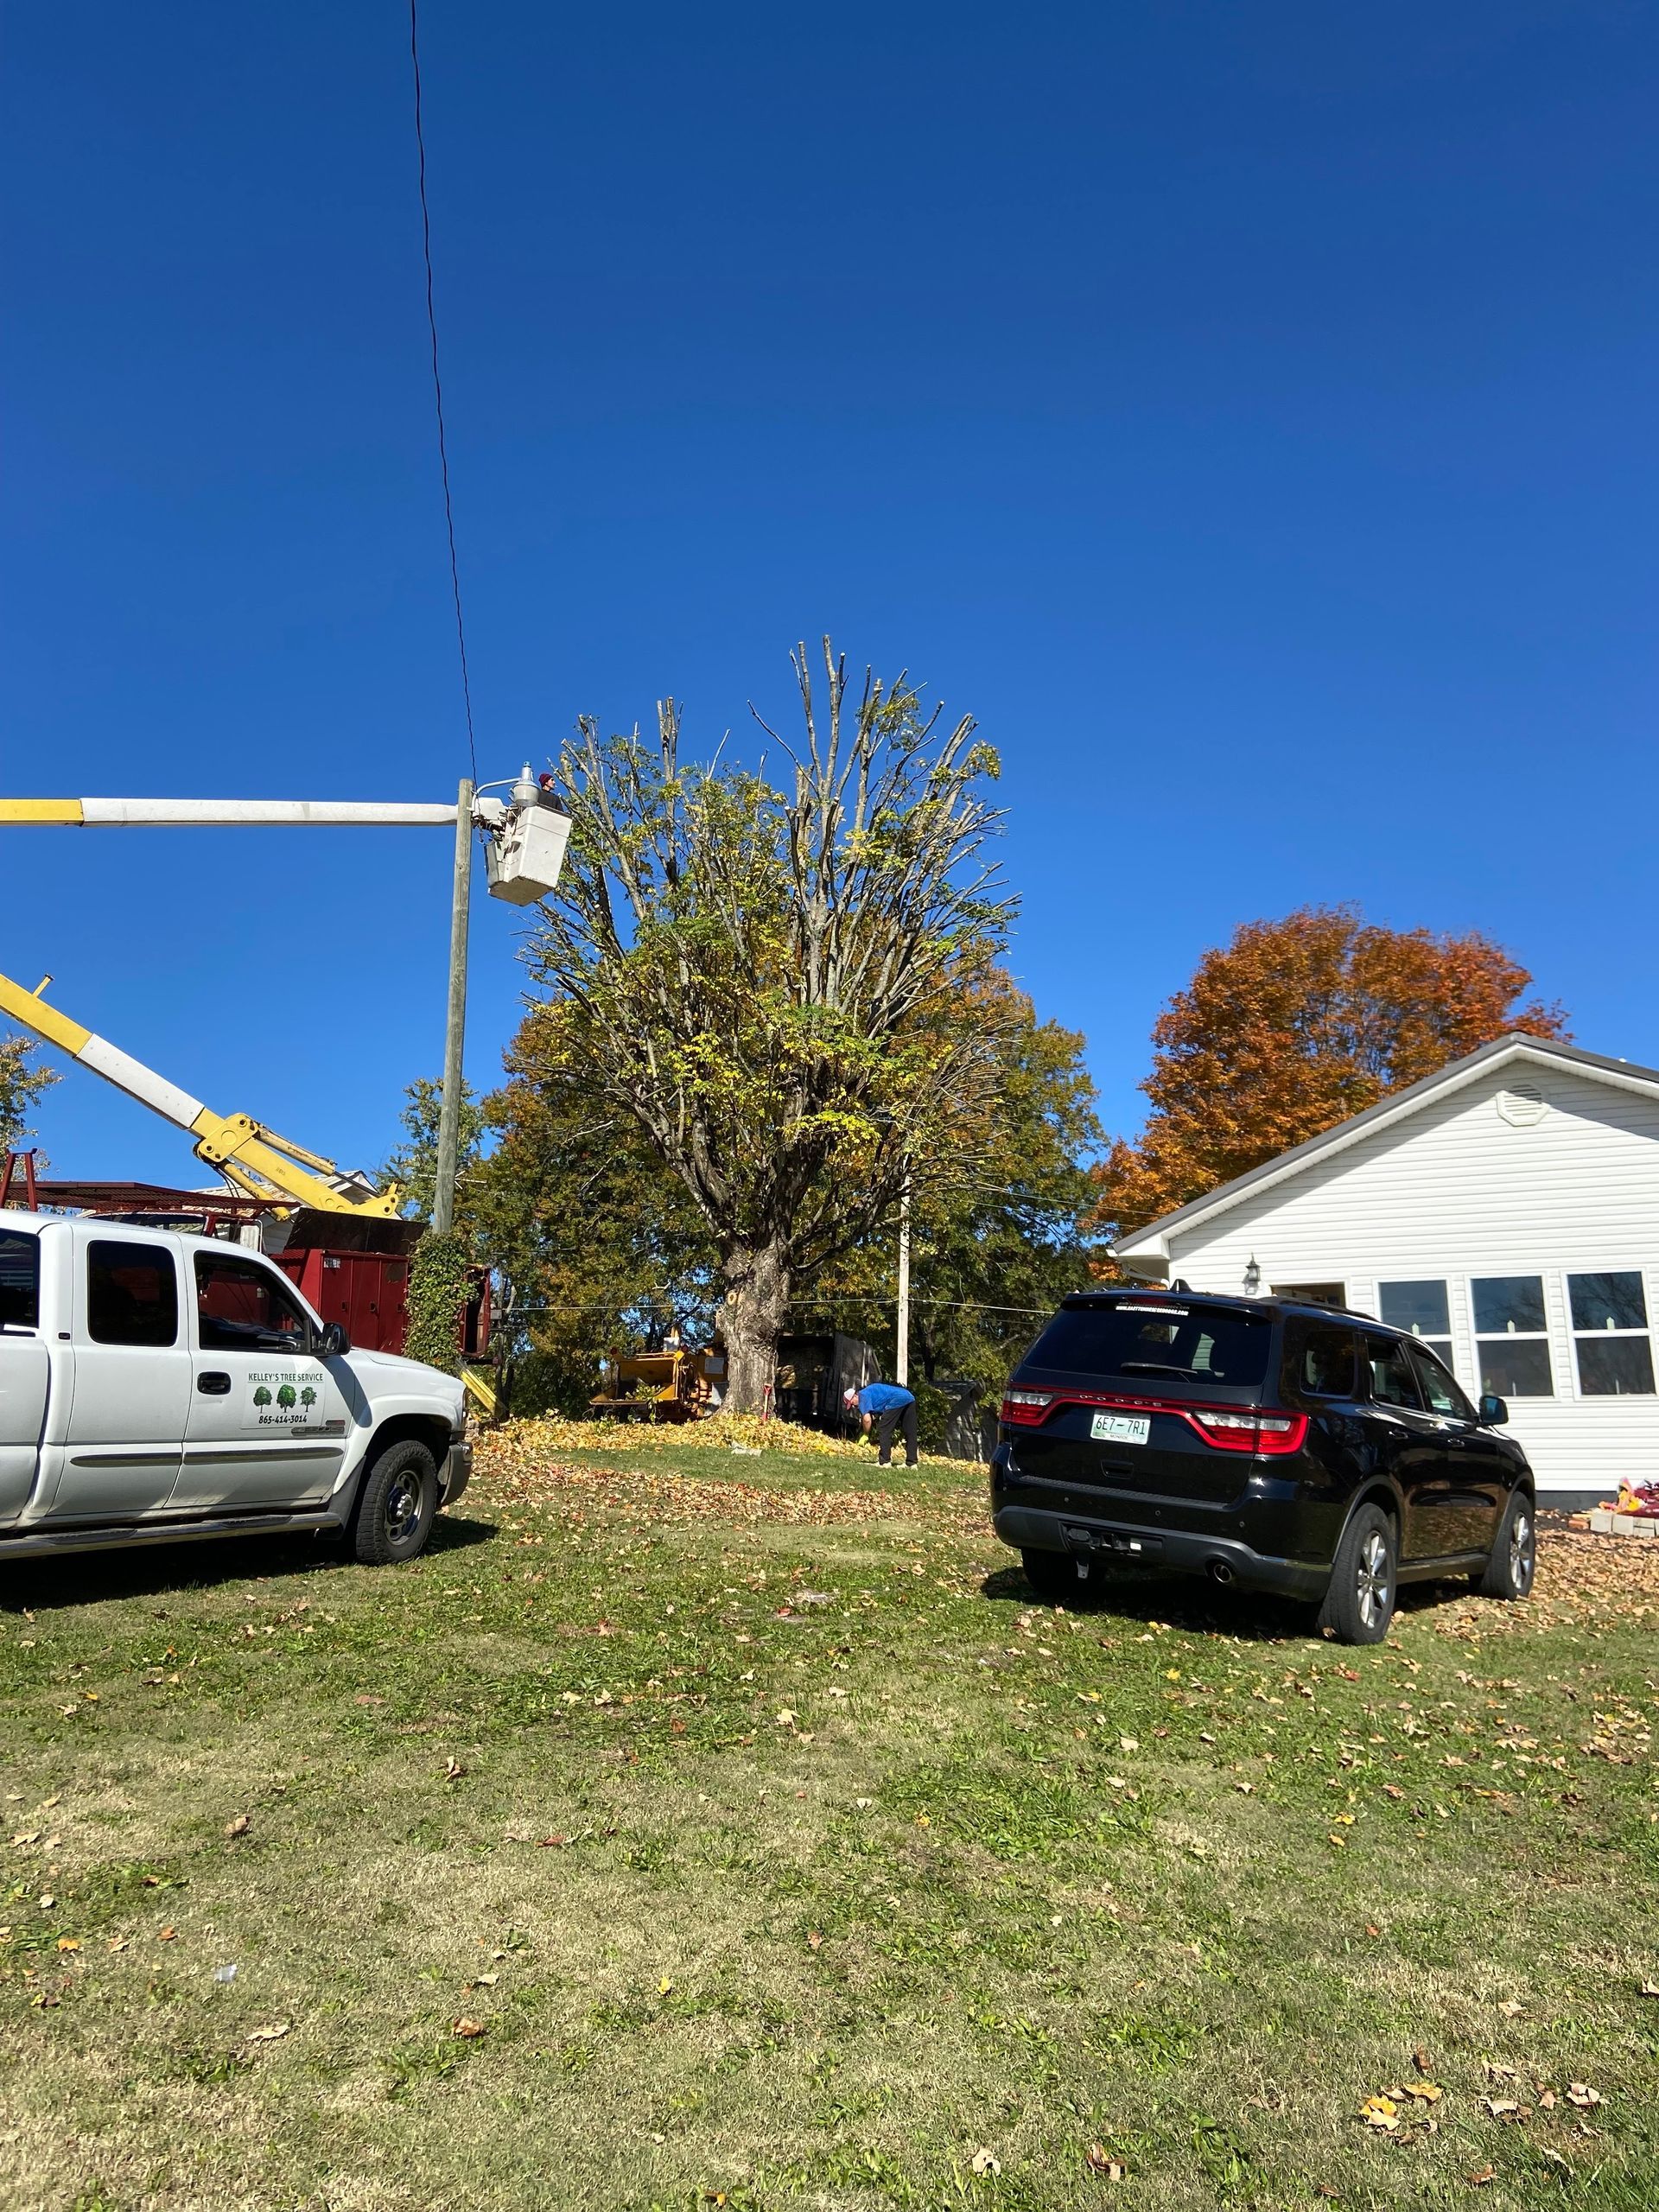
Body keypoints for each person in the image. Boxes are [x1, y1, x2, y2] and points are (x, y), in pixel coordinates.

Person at [844, 1378, 918, 1468]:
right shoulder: (869, 1392)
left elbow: (867, 1419)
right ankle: (912, 1463)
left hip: (896, 1399)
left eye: (851, 1403)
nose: (853, 1406)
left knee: (884, 1428)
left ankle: (885, 1462)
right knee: (910, 1431)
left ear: (855, 1396)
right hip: (909, 1397)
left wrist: (866, 1434)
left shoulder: (862, 1396)